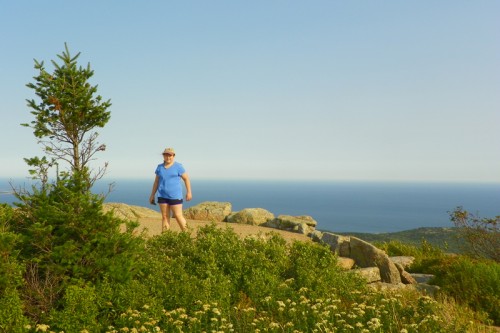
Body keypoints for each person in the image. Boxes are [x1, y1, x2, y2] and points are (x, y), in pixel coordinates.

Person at [149, 147, 192, 232]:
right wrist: (152, 194)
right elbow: (156, 182)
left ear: (173, 156)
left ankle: (187, 235)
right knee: (165, 217)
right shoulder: (159, 167)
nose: (168, 157)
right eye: (166, 155)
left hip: (175, 196)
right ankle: (165, 238)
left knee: (178, 216)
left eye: (170, 155)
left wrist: (189, 192)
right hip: (162, 196)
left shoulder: (178, 166)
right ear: (163, 156)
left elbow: (186, 178)